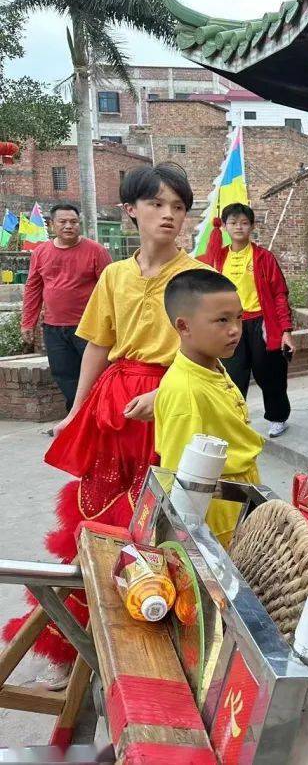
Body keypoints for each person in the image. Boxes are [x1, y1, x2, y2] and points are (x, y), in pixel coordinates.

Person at [2, 163, 204, 689]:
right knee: (96, 522)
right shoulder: (114, 275)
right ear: (130, 211)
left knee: (161, 526)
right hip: (115, 408)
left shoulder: (198, 275)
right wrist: (77, 409)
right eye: (158, 204)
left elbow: (210, 354)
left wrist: (165, 393)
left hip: (172, 405)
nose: (169, 215)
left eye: (178, 207)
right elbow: (96, 343)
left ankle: (160, 658)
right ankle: (81, 652)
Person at [156, 269, 264, 546]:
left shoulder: (211, 364)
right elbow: (179, 479)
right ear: (184, 326)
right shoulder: (186, 391)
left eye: (239, 318)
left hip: (240, 497)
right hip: (218, 515)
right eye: (221, 320)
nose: (235, 330)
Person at [198, 202, 294, 439]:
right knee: (232, 375)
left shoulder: (263, 257)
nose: (238, 227)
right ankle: (234, 420)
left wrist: (286, 330)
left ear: (251, 226)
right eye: (232, 223)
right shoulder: (218, 258)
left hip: (261, 322)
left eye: (243, 222)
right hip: (231, 324)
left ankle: (277, 417)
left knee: (269, 372)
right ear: (225, 227)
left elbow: (279, 294)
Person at [19, 204, 112, 411]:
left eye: (74, 222)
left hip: (88, 329)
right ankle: (76, 422)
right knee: (64, 377)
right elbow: (33, 288)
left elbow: (111, 289)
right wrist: (28, 323)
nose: (69, 226)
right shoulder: (41, 252)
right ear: (52, 224)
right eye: (63, 222)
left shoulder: (96, 251)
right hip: (53, 328)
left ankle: (95, 421)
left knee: (97, 376)